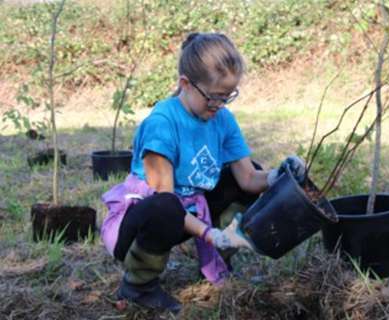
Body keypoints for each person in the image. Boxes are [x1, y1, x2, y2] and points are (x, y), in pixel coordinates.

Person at [100, 32, 306, 313]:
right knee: (164, 208)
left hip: (190, 210)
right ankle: (138, 285)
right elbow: (166, 201)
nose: (219, 106)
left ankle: (219, 260)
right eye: (213, 98)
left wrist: (278, 175)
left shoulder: (222, 118)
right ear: (185, 84)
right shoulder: (163, 123)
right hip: (139, 221)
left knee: (245, 176)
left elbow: (247, 178)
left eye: (227, 97)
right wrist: (211, 233)